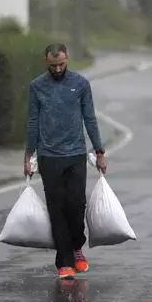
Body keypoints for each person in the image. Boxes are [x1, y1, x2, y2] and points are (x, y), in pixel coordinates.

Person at [24, 43, 106, 280]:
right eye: (53, 65)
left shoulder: (80, 84)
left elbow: (90, 118)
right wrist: (28, 156)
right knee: (56, 209)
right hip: (49, 156)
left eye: (61, 64)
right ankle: (65, 262)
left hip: (76, 154)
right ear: (46, 62)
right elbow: (32, 122)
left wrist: (99, 150)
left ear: (67, 59)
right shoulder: (37, 87)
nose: (58, 69)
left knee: (76, 204)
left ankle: (77, 245)